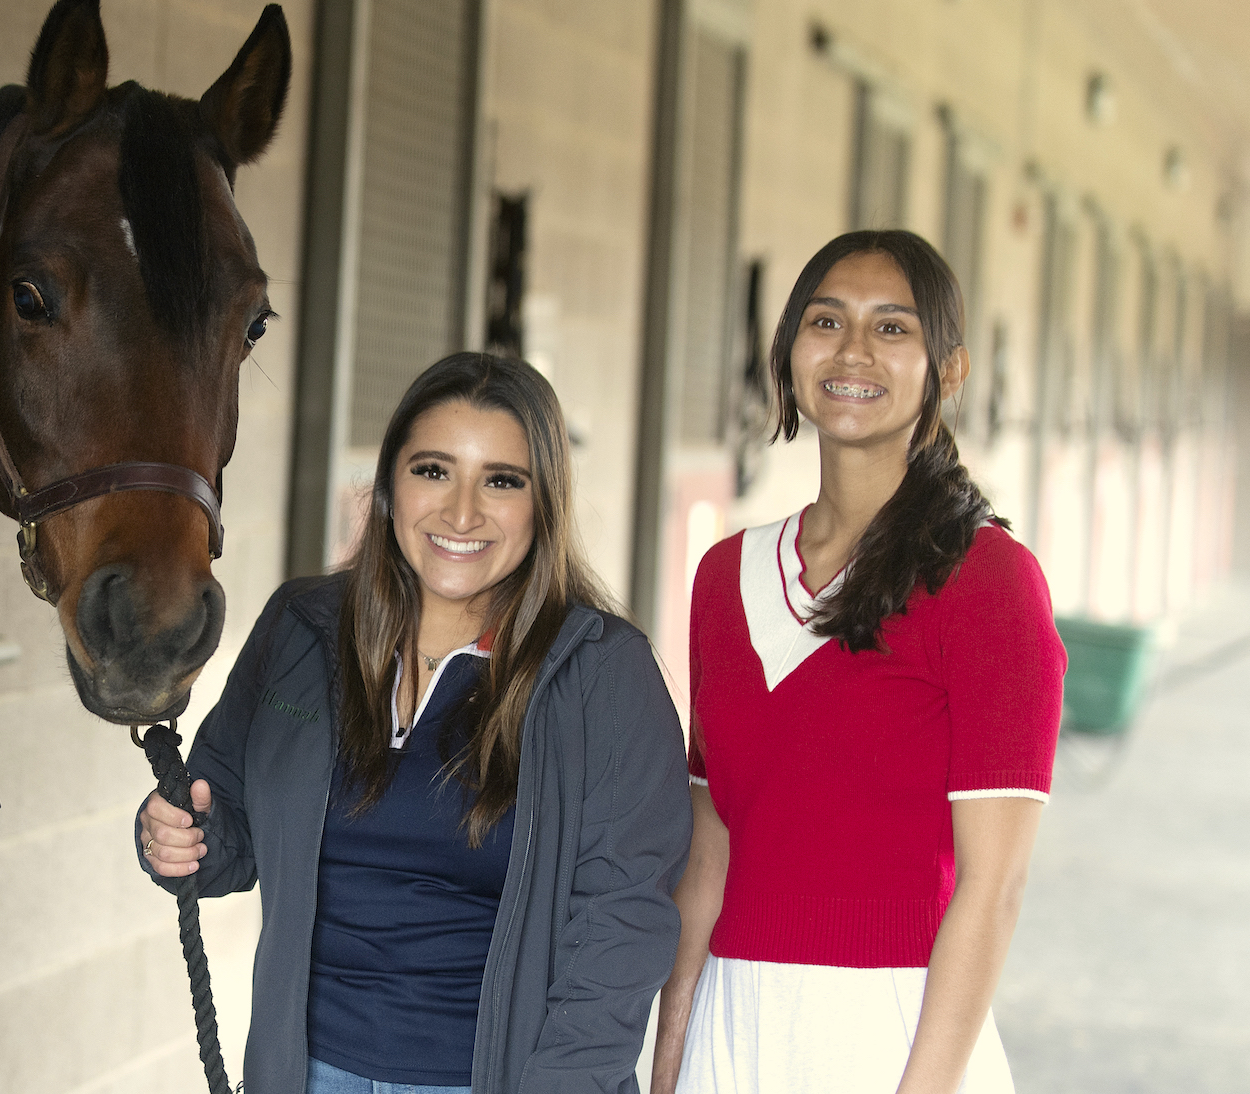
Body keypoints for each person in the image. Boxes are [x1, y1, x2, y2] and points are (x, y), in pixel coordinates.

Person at [139, 352, 693, 1094]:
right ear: (389, 486)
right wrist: (179, 838)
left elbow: (622, 924)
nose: (460, 513)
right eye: (432, 470)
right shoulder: (303, 628)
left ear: (544, 503)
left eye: (501, 481)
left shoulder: (599, 674)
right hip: (304, 1074)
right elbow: (228, 821)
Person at [649, 230, 1068, 1094]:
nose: (850, 351)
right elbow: (709, 851)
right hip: (732, 1021)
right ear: (787, 352)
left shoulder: (988, 580)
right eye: (825, 320)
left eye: (891, 329)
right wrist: (671, 1057)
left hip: (895, 1034)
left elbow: (992, 888)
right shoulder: (724, 577)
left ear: (946, 372)